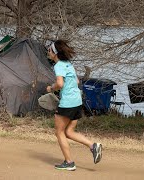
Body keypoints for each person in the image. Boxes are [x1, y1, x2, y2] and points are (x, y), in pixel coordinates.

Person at [46, 40, 102, 171]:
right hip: (77, 101)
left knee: (59, 132)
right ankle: (93, 146)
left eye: (49, 50)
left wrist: (51, 88)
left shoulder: (58, 66)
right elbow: (76, 81)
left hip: (68, 103)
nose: (48, 52)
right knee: (69, 132)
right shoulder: (68, 64)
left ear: (55, 53)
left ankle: (69, 162)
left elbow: (59, 84)